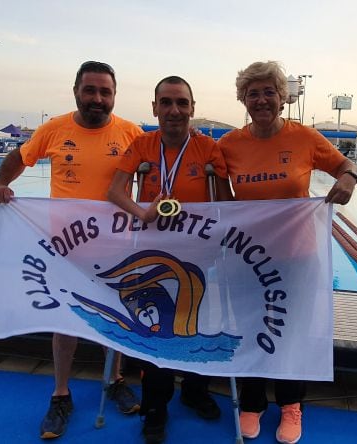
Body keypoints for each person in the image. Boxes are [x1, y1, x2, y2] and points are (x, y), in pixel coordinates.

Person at [0, 61, 143, 440]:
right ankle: (60, 394)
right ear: (76, 92)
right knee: (64, 321)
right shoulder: (55, 129)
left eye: (105, 92)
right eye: (90, 90)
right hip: (66, 247)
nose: (97, 99)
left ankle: (114, 380)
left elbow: (155, 174)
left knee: (117, 317)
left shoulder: (131, 134)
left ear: (114, 96)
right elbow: (18, 158)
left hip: (116, 246)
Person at [216, 61, 357, 444]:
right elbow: (215, 195)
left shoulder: (305, 138)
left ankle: (292, 405)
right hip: (247, 258)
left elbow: (345, 165)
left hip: (296, 257)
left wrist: (348, 178)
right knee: (248, 328)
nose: (261, 100)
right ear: (243, 100)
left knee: (290, 330)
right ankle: (252, 402)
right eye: (253, 93)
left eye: (268, 92)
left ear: (282, 98)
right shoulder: (228, 145)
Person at [106, 76, 232, 443]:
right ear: (155, 107)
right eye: (166, 102)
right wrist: (140, 211)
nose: (174, 110)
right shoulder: (142, 145)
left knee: (199, 324)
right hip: (152, 253)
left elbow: (226, 204)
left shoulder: (209, 148)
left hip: (198, 254)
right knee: (159, 328)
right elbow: (115, 191)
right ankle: (156, 406)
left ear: (192, 107)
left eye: (181, 102)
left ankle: (195, 391)